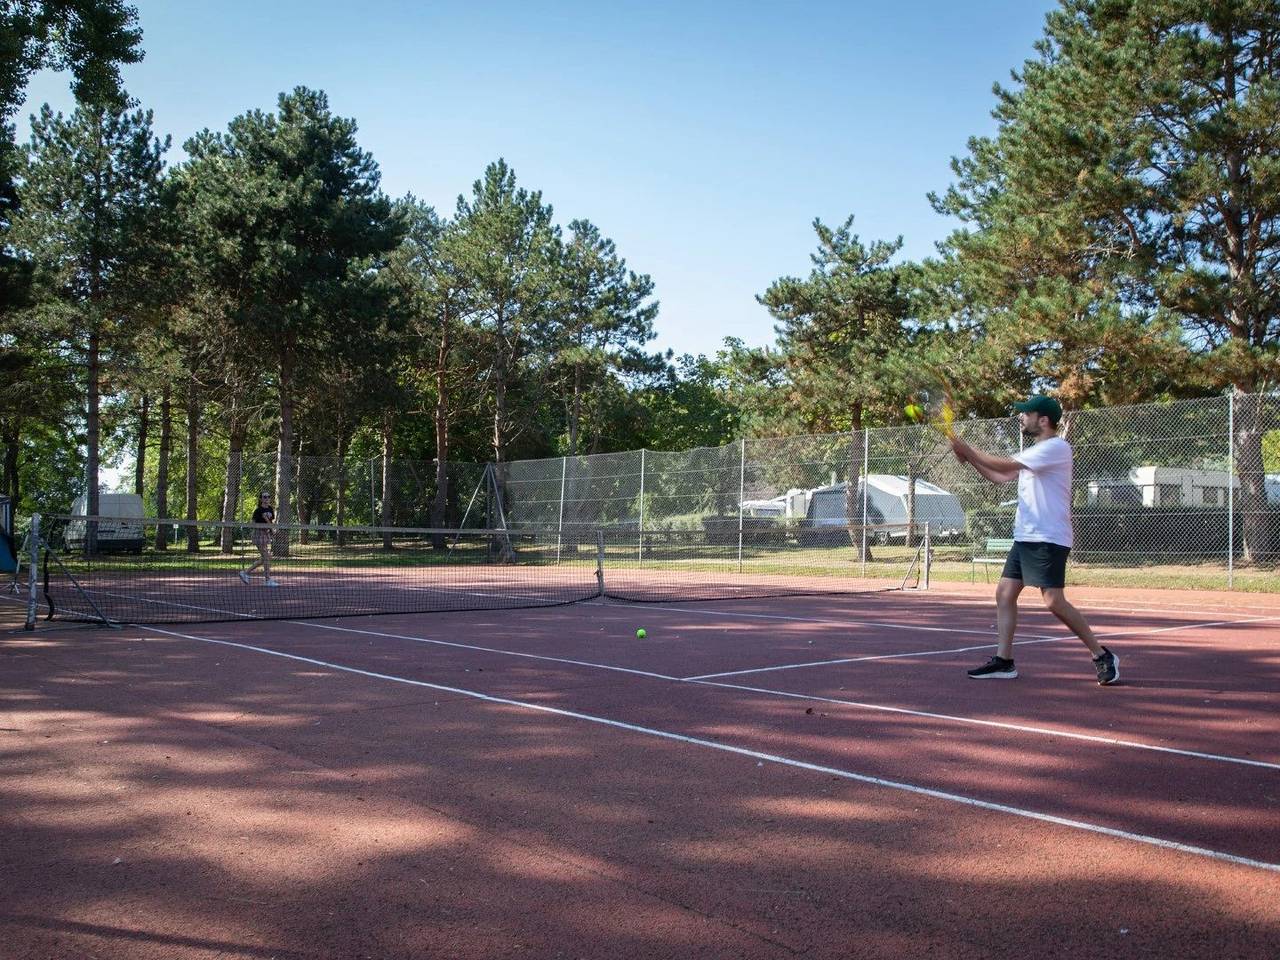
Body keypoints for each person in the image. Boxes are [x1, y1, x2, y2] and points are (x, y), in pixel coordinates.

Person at [949, 395, 1118, 684]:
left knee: (1053, 601)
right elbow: (999, 477)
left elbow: (1001, 466)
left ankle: (1101, 655)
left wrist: (968, 450)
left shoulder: (1056, 447)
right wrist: (971, 459)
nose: (1021, 417)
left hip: (1048, 537)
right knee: (1004, 593)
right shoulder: (1035, 452)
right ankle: (1004, 661)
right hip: (1026, 536)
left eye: (1026, 414)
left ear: (1044, 420)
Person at [239, 491, 280, 587]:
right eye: (264, 497)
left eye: (268, 497)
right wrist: (260, 525)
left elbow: (270, 522)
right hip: (258, 534)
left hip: (266, 534)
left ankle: (245, 572)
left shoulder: (270, 509)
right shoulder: (258, 510)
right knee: (266, 557)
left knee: (265, 557)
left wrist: (271, 531)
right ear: (261, 499)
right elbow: (252, 523)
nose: (267, 498)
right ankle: (267, 580)